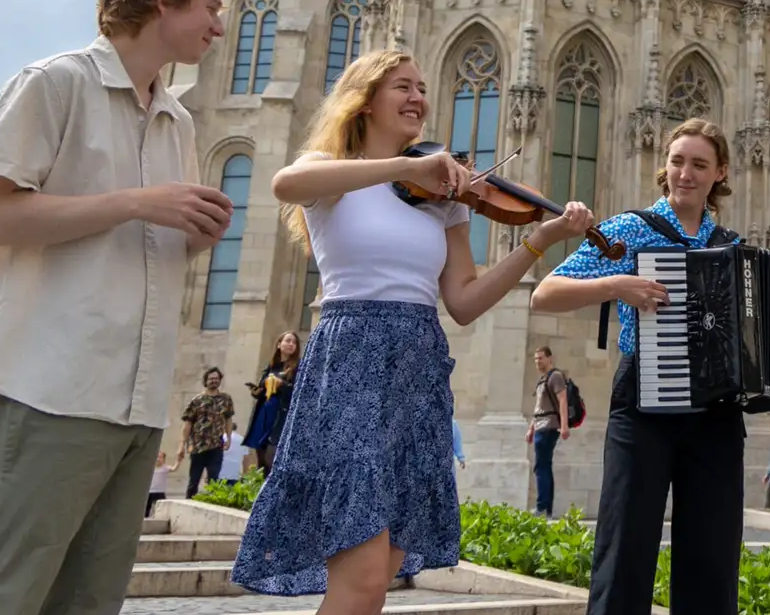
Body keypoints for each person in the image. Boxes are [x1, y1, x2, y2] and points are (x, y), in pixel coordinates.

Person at [229, 48, 594, 611]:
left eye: (422, 88)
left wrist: (538, 242)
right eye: (403, 86)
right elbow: (284, 183)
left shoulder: (443, 199)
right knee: (362, 577)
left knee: (378, 580)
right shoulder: (335, 173)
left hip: (418, 370)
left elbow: (465, 302)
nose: (418, 97)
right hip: (352, 361)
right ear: (365, 100)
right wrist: (405, 168)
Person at [0, 0, 234, 615]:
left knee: (88, 604)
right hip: (53, 387)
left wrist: (192, 236)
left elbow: (138, 249)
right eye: (211, 7)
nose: (220, 25)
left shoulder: (177, 121)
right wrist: (138, 203)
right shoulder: (55, 83)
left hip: (138, 401)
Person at [531, 117, 770, 615]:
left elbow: (763, 336)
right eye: (677, 162)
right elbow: (546, 293)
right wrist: (616, 285)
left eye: (698, 164)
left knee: (711, 561)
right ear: (664, 166)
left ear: (720, 173)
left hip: (716, 414)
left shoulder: (733, 246)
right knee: (624, 550)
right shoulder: (631, 230)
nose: (685, 174)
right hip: (642, 406)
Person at [242, 332, 300, 473]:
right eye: (288, 341)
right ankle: (263, 479)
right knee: (260, 449)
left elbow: (299, 391)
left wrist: (282, 385)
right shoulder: (272, 366)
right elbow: (263, 387)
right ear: (279, 344)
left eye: (294, 342)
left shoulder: (298, 367)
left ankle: (272, 478)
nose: (291, 344)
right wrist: (257, 391)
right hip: (265, 410)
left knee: (272, 450)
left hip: (281, 412)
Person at [527, 345, 570, 518]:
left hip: (548, 426)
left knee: (541, 466)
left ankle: (542, 506)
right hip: (540, 425)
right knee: (544, 466)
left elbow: (563, 401)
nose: (537, 362)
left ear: (549, 358)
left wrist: (564, 426)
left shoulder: (555, 376)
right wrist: (531, 428)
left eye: (540, 358)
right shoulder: (542, 380)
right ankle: (547, 509)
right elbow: (539, 407)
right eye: (535, 359)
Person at [177, 368, 234, 496]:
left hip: (216, 445)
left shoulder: (226, 399)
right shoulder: (197, 400)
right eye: (211, 379)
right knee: (194, 480)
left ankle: (211, 503)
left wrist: (229, 438)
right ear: (205, 381)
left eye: (216, 378)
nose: (214, 381)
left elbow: (228, 419)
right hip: (198, 446)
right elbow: (187, 423)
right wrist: (182, 445)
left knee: (214, 480)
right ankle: (189, 501)